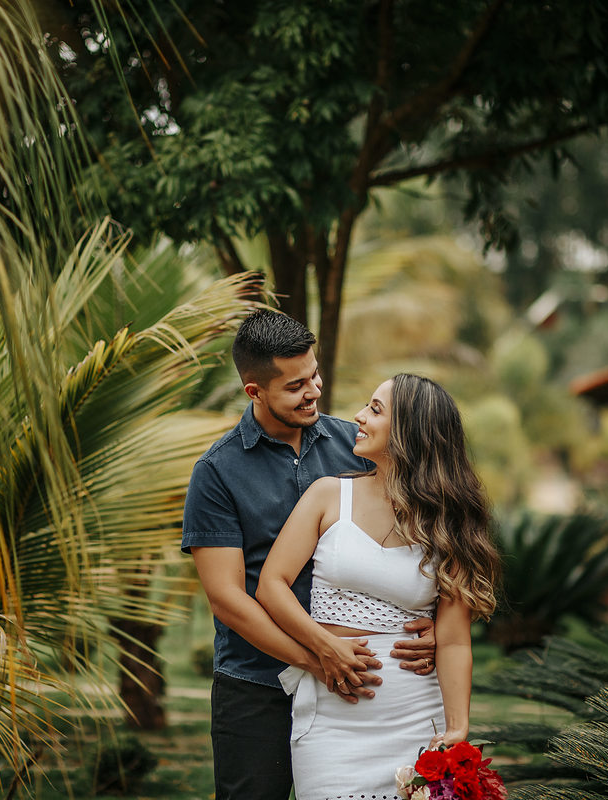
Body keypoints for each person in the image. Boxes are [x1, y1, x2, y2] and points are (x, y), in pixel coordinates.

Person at [181, 310, 437, 800]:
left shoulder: (357, 446)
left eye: (314, 375)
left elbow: (421, 542)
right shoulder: (216, 472)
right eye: (295, 385)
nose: (314, 390)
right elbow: (228, 599)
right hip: (256, 685)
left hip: (359, 683)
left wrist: (436, 624)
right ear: (255, 391)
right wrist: (318, 656)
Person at [257, 373, 501, 800]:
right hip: (332, 719)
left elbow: (453, 640)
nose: (359, 416)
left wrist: (457, 727)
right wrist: (323, 646)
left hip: (415, 718)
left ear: (409, 431)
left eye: (375, 409)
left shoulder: (450, 522)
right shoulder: (328, 495)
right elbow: (271, 586)